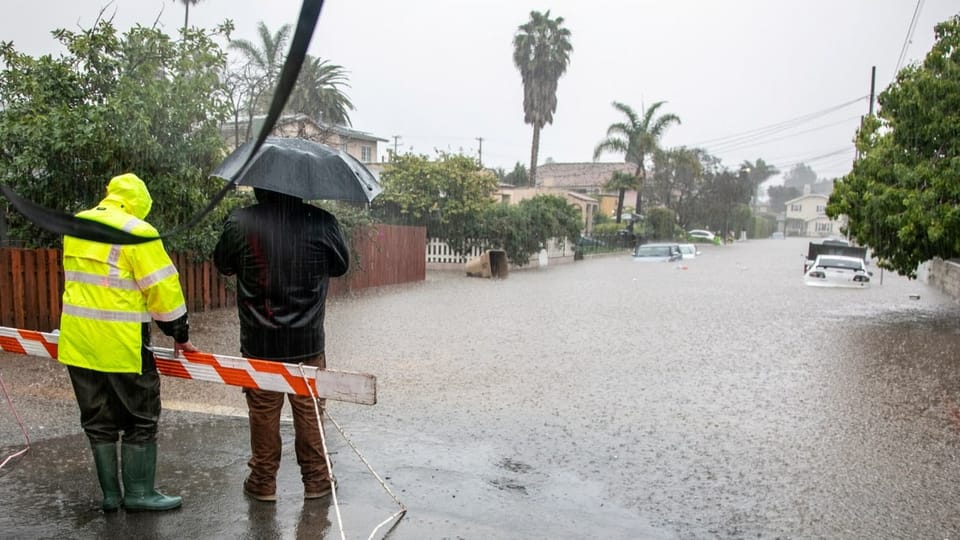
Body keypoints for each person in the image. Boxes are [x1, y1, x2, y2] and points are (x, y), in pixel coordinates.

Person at [58, 173, 198, 512]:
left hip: (78, 344)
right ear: (139, 203)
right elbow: (162, 288)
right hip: (122, 346)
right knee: (141, 418)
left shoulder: (77, 225)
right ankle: (139, 494)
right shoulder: (138, 232)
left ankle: (110, 495)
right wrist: (180, 334)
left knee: (97, 420)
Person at [213, 187, 349, 502]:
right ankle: (317, 480)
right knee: (309, 409)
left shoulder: (240, 222)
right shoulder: (322, 222)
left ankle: (263, 482)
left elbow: (224, 264)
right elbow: (341, 266)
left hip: (259, 340)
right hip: (307, 339)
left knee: (262, 410)